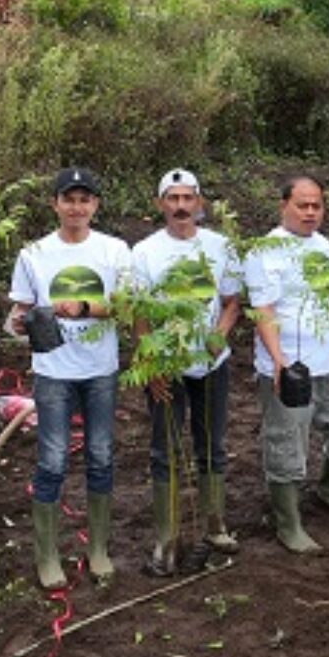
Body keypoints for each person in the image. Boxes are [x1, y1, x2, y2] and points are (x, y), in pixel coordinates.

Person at [9, 167, 131, 587]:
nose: (77, 207)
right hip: (53, 371)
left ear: (95, 205)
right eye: (69, 199)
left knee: (100, 455)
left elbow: (128, 306)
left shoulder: (114, 252)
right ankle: (48, 558)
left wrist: (83, 308)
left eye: (85, 199)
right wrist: (19, 324)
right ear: (55, 204)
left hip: (100, 369)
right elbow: (19, 312)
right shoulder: (34, 255)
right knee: (52, 460)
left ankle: (97, 549)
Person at [244, 175, 329, 553]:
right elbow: (262, 309)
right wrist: (279, 361)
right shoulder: (264, 251)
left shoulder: (326, 247)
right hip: (290, 368)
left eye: (317, 205)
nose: (311, 212)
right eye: (303, 205)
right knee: (286, 445)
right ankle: (289, 524)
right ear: (284, 205)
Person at [131, 169, 242, 573]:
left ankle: (214, 524)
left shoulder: (221, 247)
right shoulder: (144, 252)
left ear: (199, 203)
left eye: (187, 198)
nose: (180, 206)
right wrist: (149, 362)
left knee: (211, 443)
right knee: (166, 449)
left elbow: (232, 301)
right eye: (172, 199)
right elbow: (139, 313)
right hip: (167, 365)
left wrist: (219, 335)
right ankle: (167, 536)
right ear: (161, 204)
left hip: (212, 364)